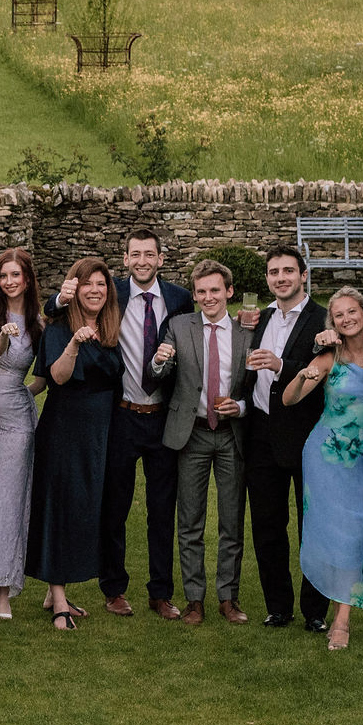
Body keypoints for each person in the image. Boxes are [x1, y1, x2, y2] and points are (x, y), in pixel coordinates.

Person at [52, 228, 193, 619]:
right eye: (136, 254)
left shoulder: (180, 299)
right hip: (121, 416)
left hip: (164, 417)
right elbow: (57, 308)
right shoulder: (111, 292)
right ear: (126, 258)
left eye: (150, 254)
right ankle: (113, 588)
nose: (143, 260)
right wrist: (55, 298)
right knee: (114, 507)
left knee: (162, 509)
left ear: (160, 259)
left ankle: (161, 592)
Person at [283, 287, 363, 652]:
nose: (346, 319)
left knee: (357, 532)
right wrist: (305, 376)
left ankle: (341, 614)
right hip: (324, 460)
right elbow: (290, 398)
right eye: (338, 315)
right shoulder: (330, 358)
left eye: (351, 312)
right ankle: (340, 620)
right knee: (332, 535)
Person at [146, 259, 253, 625]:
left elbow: (256, 388)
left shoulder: (246, 331)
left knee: (231, 520)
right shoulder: (179, 326)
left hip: (230, 435)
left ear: (229, 292)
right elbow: (160, 370)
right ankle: (194, 598)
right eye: (202, 291)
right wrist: (159, 361)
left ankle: (228, 596)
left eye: (215, 290)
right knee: (189, 521)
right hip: (190, 433)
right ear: (194, 295)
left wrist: (240, 406)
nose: (209, 297)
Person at [239, 245, 331, 631]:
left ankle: (315, 612)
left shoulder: (324, 318)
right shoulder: (258, 319)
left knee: (314, 525)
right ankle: (278, 606)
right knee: (267, 525)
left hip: (307, 435)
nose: (281, 278)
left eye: (288, 271)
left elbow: (326, 371)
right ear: (267, 279)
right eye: (274, 272)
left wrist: (282, 365)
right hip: (260, 434)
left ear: (303, 275)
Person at [28, 257, 123, 630]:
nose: (95, 290)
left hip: (100, 431)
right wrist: (73, 344)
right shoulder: (57, 328)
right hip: (65, 428)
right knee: (62, 509)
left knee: (86, 508)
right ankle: (59, 601)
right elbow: (58, 378)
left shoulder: (111, 327)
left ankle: (56, 590)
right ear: (74, 288)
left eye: (101, 283)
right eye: (87, 284)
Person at [0, 247, 44, 620]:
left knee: (11, 505)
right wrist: (3, 334)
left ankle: (3, 593)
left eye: (15, 275)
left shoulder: (39, 322)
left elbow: (43, 376)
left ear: (27, 280)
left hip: (18, 419)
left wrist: (23, 394)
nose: (9, 282)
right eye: (3, 276)